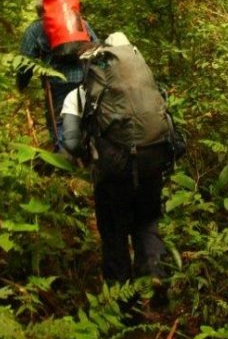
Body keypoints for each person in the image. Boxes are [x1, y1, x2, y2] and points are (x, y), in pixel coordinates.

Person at [61, 31, 170, 292]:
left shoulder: (77, 96)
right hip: (151, 162)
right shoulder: (147, 89)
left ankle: (123, 300)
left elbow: (72, 144)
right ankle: (155, 274)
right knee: (147, 221)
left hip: (113, 170)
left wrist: (86, 156)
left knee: (114, 232)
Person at [16, 0, 97, 151]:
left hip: (57, 83)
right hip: (86, 78)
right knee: (88, 117)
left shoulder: (35, 28)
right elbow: (96, 49)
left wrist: (21, 85)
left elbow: (25, 62)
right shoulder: (81, 23)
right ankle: (90, 155)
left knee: (61, 121)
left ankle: (66, 158)